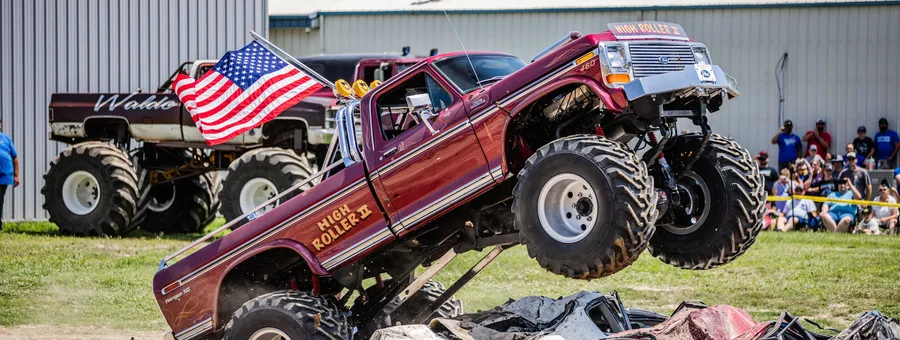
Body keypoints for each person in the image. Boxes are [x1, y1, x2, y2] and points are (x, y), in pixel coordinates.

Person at [0, 119, 19, 231]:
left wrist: (16, 176)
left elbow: (15, 158)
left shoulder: (6, 139)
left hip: (4, 176)